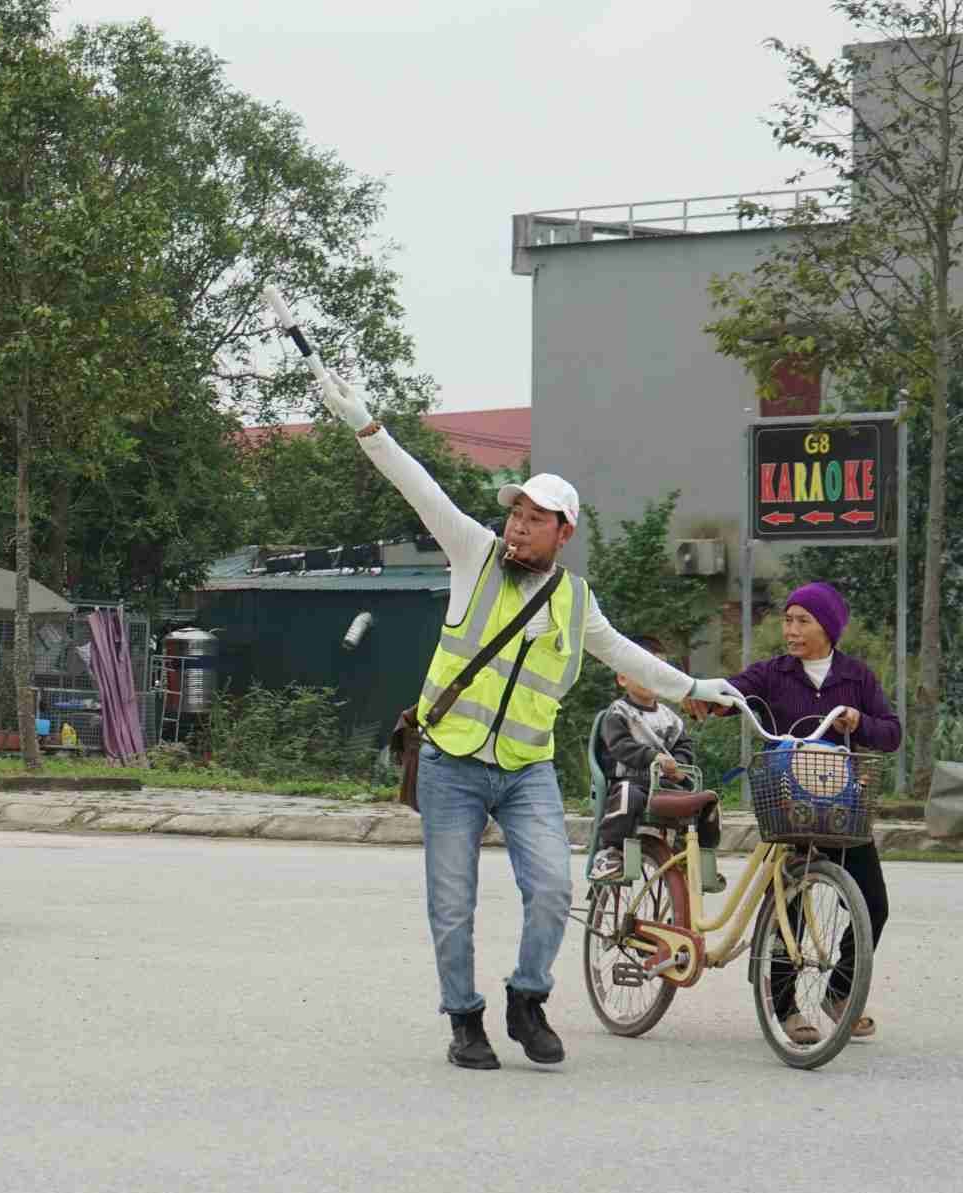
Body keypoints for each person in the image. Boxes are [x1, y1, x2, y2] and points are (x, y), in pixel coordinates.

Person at [315, 366, 740, 1071]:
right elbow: (417, 484)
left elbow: (629, 654)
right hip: (451, 763)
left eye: (534, 519)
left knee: (552, 889)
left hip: (525, 771)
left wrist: (693, 684)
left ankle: (527, 999)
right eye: (515, 513)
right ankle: (464, 1021)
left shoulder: (576, 602)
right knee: (452, 907)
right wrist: (365, 424)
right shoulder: (471, 555)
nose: (517, 525)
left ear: (563, 533)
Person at [697, 581, 898, 1044]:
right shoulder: (773, 673)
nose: (791, 629)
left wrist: (859, 722)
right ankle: (785, 1007)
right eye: (788, 619)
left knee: (875, 905)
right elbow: (734, 693)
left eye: (802, 620)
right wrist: (708, 698)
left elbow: (891, 733)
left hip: (841, 808)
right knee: (793, 908)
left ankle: (838, 992)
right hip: (790, 806)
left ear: (828, 626)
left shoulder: (857, 677)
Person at [590, 636, 720, 884]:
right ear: (623, 677)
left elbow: (684, 746)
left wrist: (679, 766)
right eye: (643, 670)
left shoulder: (671, 718)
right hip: (631, 781)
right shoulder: (618, 713)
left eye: (658, 672)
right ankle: (610, 852)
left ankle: (697, 854)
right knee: (628, 794)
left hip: (664, 785)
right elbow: (620, 747)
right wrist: (653, 757)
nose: (651, 678)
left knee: (706, 802)